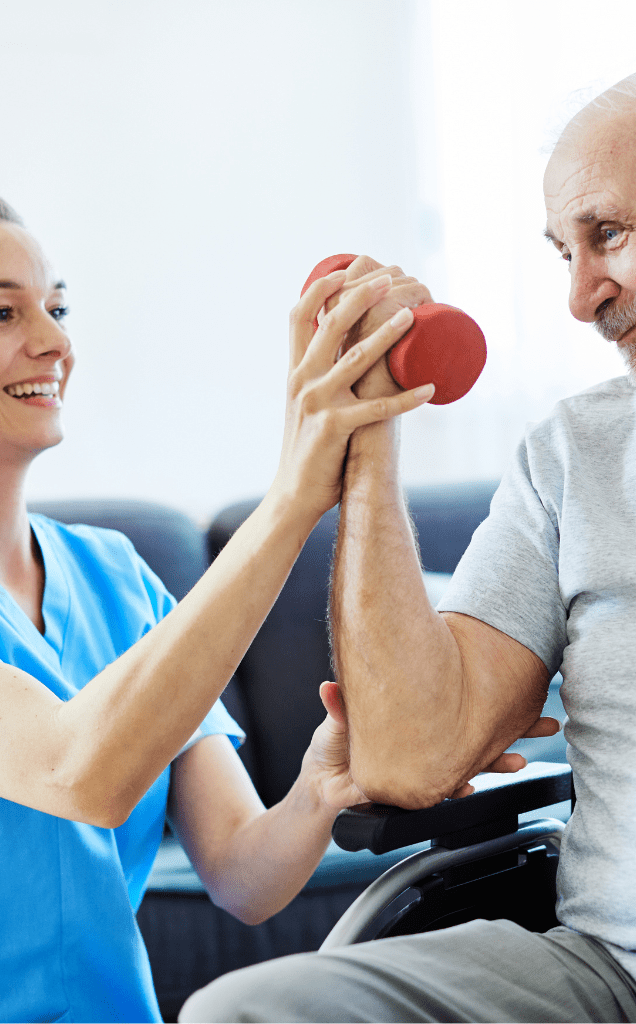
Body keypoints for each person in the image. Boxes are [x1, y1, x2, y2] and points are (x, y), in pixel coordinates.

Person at [179, 63, 636, 1024]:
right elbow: (412, 753)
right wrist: (374, 433)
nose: (582, 299)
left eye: (608, 234)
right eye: (561, 253)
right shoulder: (575, 453)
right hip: (605, 977)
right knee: (247, 1013)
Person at [0, 197, 461, 1024]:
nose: (56, 342)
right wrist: (293, 497)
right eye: (4, 312)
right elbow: (82, 776)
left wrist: (324, 783)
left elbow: (245, 876)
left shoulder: (113, 576)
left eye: (58, 307)